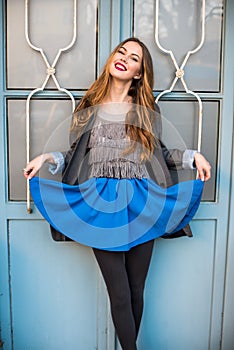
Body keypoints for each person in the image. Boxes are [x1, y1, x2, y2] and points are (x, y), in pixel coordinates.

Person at [23, 37, 211, 350]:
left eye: (134, 57)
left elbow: (160, 153)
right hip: (101, 205)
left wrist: (194, 157)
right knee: (120, 293)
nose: (124, 58)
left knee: (137, 288)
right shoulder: (89, 106)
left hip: (142, 202)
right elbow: (74, 154)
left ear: (139, 72)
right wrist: (47, 159)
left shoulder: (146, 109)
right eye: (121, 52)